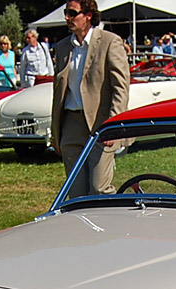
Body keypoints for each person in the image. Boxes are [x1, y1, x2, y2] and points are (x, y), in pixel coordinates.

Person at [52, 0, 129, 198]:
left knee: (99, 188)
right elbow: (58, 92)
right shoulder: (62, 47)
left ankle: (114, 225)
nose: (67, 18)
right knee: (75, 194)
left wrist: (114, 125)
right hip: (71, 125)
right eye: (65, 13)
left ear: (88, 15)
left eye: (72, 13)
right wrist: (56, 132)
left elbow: (121, 87)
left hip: (101, 125)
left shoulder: (109, 42)